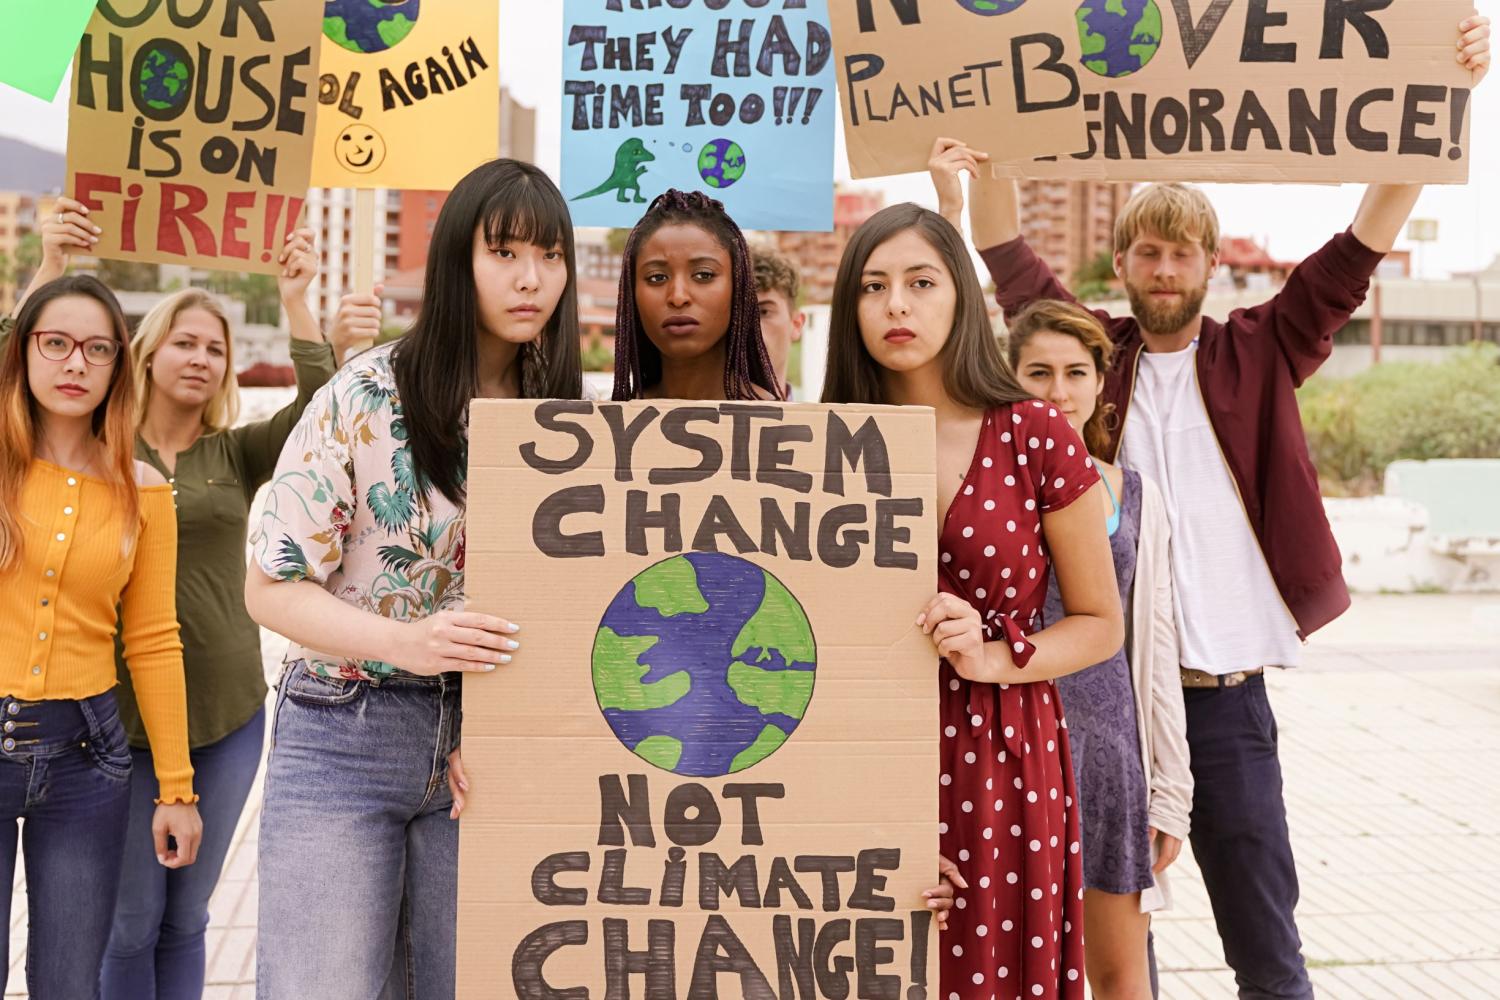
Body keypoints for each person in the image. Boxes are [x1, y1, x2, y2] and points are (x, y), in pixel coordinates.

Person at [934, 17, 1489, 997]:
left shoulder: (1263, 349)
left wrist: (1442, 101)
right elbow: (1003, 248)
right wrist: (989, 137)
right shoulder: (1083, 360)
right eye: (1146, 251)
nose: (1163, 269)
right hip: (1092, 702)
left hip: (1225, 703)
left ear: (1209, 268)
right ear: (1123, 265)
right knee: (1110, 953)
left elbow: (1364, 243)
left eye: (1181, 254)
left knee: (1267, 950)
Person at [243, 158, 584, 998]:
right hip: (343, 732)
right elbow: (270, 586)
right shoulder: (365, 394)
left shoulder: (567, 415)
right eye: (504, 252)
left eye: (550, 254)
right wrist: (409, 640)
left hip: (489, 750)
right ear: (456, 263)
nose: (531, 278)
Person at [822, 202, 1124, 999]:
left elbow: (1100, 625)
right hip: (854, 749)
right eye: (874, 286)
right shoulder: (812, 441)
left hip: (1001, 755)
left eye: (921, 282)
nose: (896, 305)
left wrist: (997, 654)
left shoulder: (1035, 433)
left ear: (960, 295)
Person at [101, 241, 341, 997]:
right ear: (147, 354)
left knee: (190, 917)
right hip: (123, 719)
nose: (201, 358)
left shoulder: (233, 455)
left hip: (232, 714)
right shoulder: (100, 451)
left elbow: (321, 407)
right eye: (185, 342)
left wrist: (297, 299)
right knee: (130, 920)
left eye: (216, 348)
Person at [0, 274, 201, 995]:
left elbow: (152, 638)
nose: (75, 363)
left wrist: (176, 788)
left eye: (96, 349)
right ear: (22, 352)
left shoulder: (143, 490)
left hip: (86, 760)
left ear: (121, 364)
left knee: (67, 984)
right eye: (55, 343)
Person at [1005, 299, 1193, 1000]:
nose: (1057, 391)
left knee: (1119, 973)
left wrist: (1172, 794)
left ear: (1098, 384)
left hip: (1107, 748)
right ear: (1007, 379)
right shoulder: (981, 489)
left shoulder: (1132, 493)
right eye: (1038, 373)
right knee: (1014, 967)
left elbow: (1158, 644)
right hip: (1009, 740)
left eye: (1075, 372)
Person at [612, 188, 781, 402]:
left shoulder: (780, 425)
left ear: (737, 288)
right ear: (631, 295)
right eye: (656, 277)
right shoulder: (607, 423)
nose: (678, 296)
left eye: (704, 275)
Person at [752, 246, 806, 397]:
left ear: (796, 324)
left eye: (764, 312)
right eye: (738, 314)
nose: (749, 328)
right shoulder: (690, 417)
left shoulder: (823, 416)